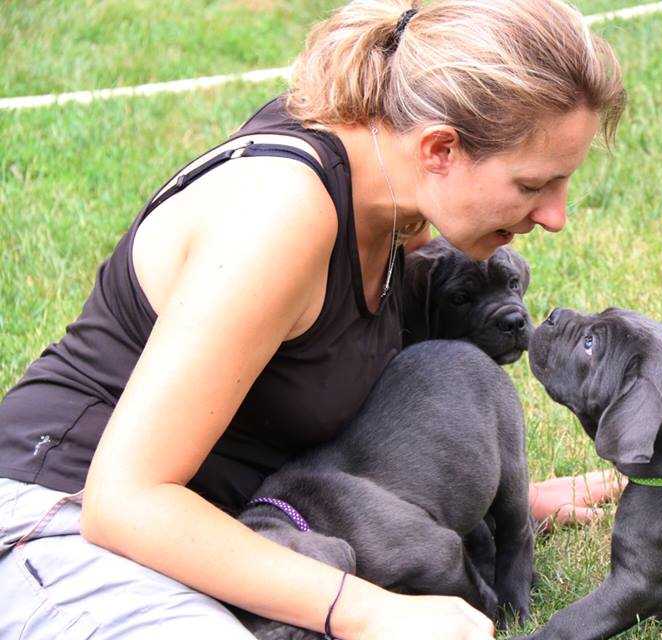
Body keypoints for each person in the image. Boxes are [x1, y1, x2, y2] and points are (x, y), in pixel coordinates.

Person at [0, 0, 626, 638]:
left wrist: (497, 496)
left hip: (210, 527)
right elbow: (122, 503)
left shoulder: (393, 188)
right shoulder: (282, 213)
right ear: (439, 148)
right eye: (532, 186)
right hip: (53, 522)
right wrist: (370, 611)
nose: (555, 216)